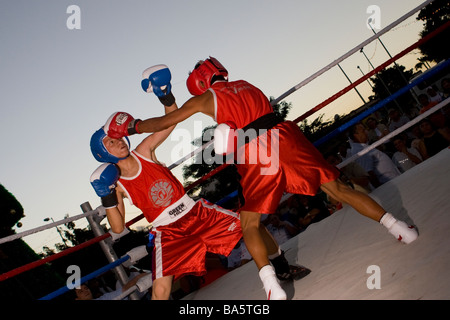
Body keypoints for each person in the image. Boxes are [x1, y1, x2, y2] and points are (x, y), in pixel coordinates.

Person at [105, 58, 418, 300]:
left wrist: (130, 127)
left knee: (250, 224)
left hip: (256, 151)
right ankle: (398, 227)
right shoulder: (248, 85)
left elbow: (165, 121)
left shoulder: (205, 99)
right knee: (338, 189)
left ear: (200, 83)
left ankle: (272, 285)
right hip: (285, 135)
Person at [89, 75, 243, 299]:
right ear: (102, 152)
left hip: (194, 212)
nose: (119, 141)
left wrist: (165, 95)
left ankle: (279, 266)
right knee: (160, 289)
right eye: (111, 142)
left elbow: (171, 120)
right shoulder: (117, 184)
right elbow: (118, 226)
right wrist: (107, 195)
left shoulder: (144, 150)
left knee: (249, 226)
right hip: (167, 230)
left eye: (118, 137)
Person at [348, 122, 401, 188]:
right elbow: (369, 174)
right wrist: (382, 190)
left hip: (393, 181)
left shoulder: (363, 147)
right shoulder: (360, 151)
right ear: (356, 135)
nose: (366, 132)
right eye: (363, 131)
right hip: (389, 185)